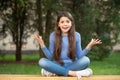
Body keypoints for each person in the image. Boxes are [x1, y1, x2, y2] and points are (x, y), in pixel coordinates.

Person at [33, 11, 102, 77]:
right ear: (58, 24)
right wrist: (42, 45)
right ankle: (71, 73)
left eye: (67, 21)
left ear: (71, 23)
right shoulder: (53, 35)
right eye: (62, 22)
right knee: (42, 61)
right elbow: (50, 57)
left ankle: (56, 72)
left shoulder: (77, 35)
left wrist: (89, 46)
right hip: (58, 64)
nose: (65, 24)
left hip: (73, 64)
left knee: (86, 60)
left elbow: (79, 56)